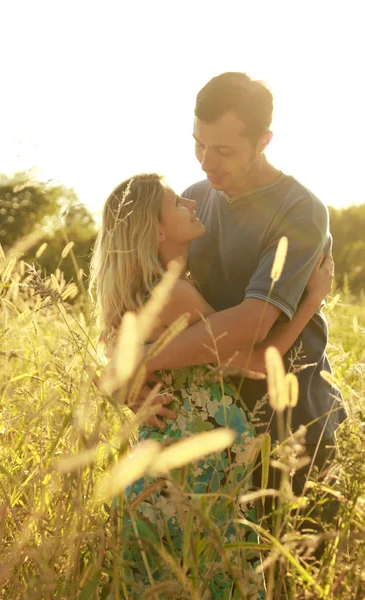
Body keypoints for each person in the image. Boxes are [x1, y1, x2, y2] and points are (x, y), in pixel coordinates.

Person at [90, 173, 333, 598]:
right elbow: (257, 362)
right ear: (160, 229)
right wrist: (311, 302)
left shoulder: (139, 294)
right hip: (193, 476)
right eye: (175, 203)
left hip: (171, 470)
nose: (191, 200)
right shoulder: (177, 296)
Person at [142, 73, 347, 497]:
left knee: (287, 562)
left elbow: (253, 323)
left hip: (294, 427)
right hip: (212, 431)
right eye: (198, 143)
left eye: (224, 150)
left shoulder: (300, 211)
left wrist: (143, 361)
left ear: (264, 141)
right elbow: (151, 300)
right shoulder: (194, 197)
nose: (205, 161)